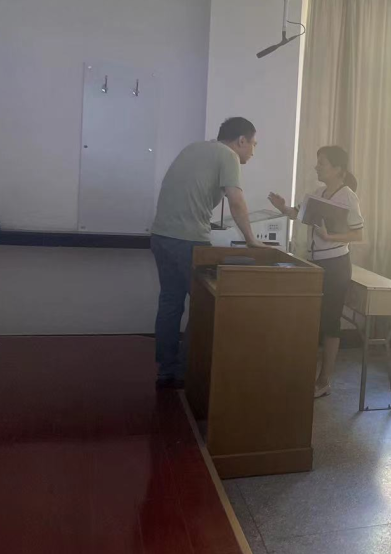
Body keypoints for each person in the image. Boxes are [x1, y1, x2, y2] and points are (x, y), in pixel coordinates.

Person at [149, 117, 265, 389]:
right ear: (241, 141)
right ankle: (187, 371)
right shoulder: (228, 155)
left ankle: (167, 370)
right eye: (253, 144)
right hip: (188, 241)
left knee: (170, 302)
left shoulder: (194, 148)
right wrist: (251, 240)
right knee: (206, 305)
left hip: (161, 236)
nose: (253, 151)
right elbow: (236, 201)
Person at [269, 145, 364, 398]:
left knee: (330, 321)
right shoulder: (318, 193)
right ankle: (308, 374)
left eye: (322, 163)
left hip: (336, 264)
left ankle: (324, 380)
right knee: (313, 319)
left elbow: (358, 234)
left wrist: (330, 236)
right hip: (316, 263)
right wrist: (283, 208)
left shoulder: (348, 196)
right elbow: (297, 214)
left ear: (338, 169)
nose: (317, 167)